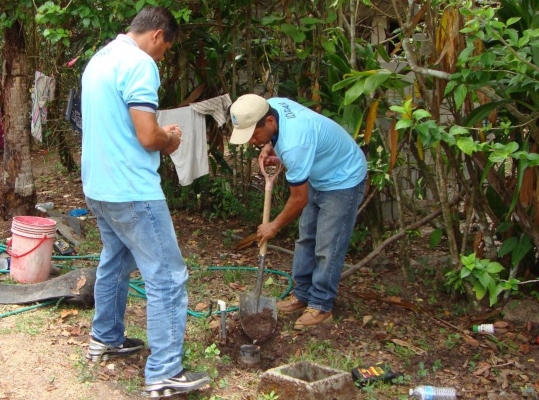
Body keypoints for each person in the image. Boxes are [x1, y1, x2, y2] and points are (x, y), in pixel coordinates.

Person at [81, 7, 210, 397]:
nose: (162, 57)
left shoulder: (100, 58)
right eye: (165, 49)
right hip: (132, 190)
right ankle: (164, 372)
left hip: (99, 186)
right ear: (156, 35)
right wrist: (169, 138)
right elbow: (147, 137)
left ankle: (105, 338)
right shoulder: (139, 63)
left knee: (116, 262)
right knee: (168, 276)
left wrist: (156, 131)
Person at [229, 94, 368, 330]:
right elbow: (280, 133)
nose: (252, 141)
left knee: (328, 245)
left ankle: (321, 305)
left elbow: (299, 199)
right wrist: (269, 144)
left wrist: (274, 225)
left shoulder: (295, 145)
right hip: (319, 174)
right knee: (306, 238)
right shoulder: (273, 105)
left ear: (269, 121)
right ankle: (302, 295)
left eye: (254, 134)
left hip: (344, 178)